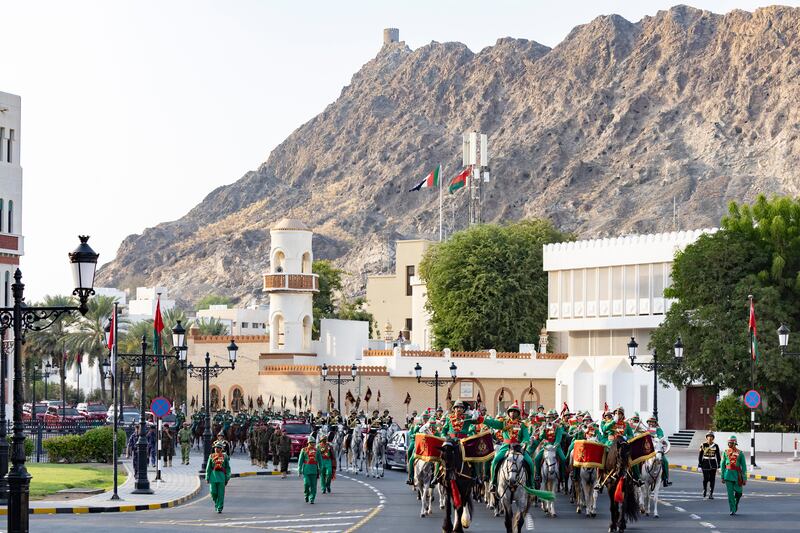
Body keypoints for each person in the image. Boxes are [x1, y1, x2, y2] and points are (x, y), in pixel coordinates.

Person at [720, 435, 746, 515]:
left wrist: (744, 477)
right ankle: (732, 509)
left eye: (730, 442)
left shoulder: (740, 453)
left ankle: (735, 503)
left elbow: (744, 466)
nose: (729, 444)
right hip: (728, 475)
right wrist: (722, 476)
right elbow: (722, 464)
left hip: (737, 475)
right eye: (728, 442)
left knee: (739, 493)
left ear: (735, 443)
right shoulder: (725, 452)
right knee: (730, 494)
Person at [205, 442, 231, 513]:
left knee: (221, 494)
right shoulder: (211, 456)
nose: (217, 449)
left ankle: (219, 507)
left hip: (222, 477)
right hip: (213, 477)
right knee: (213, 492)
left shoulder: (225, 457)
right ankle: (217, 503)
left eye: (219, 448)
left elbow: (228, 468)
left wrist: (227, 477)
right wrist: (207, 477)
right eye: (216, 447)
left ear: (221, 449)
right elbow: (208, 468)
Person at [647, 416, 672, 486]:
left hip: (657, 449)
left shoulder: (659, 430)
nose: (651, 423)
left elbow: (661, 436)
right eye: (650, 422)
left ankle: (665, 479)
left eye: (653, 422)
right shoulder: (645, 429)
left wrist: (656, 437)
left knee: (665, 461)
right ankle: (637, 478)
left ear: (655, 423)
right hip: (647, 450)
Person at [698, 431, 721, 499]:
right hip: (705, 463)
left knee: (712, 479)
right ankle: (705, 489)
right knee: (705, 478)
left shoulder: (716, 446)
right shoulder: (703, 445)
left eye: (711, 436)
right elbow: (700, 455)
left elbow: (718, 456)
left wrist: (719, 465)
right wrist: (699, 464)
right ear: (706, 437)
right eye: (709, 436)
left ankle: (711, 493)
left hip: (713, 463)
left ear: (713, 438)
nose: (710, 438)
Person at [298, 435, 319, 503]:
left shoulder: (317, 450)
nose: (312, 444)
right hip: (306, 470)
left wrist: (320, 468)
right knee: (306, 484)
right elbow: (300, 461)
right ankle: (306, 494)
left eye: (313, 443)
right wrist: (299, 470)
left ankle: (312, 498)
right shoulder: (303, 450)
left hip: (314, 470)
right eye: (311, 443)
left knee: (313, 486)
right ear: (308, 443)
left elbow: (320, 461)